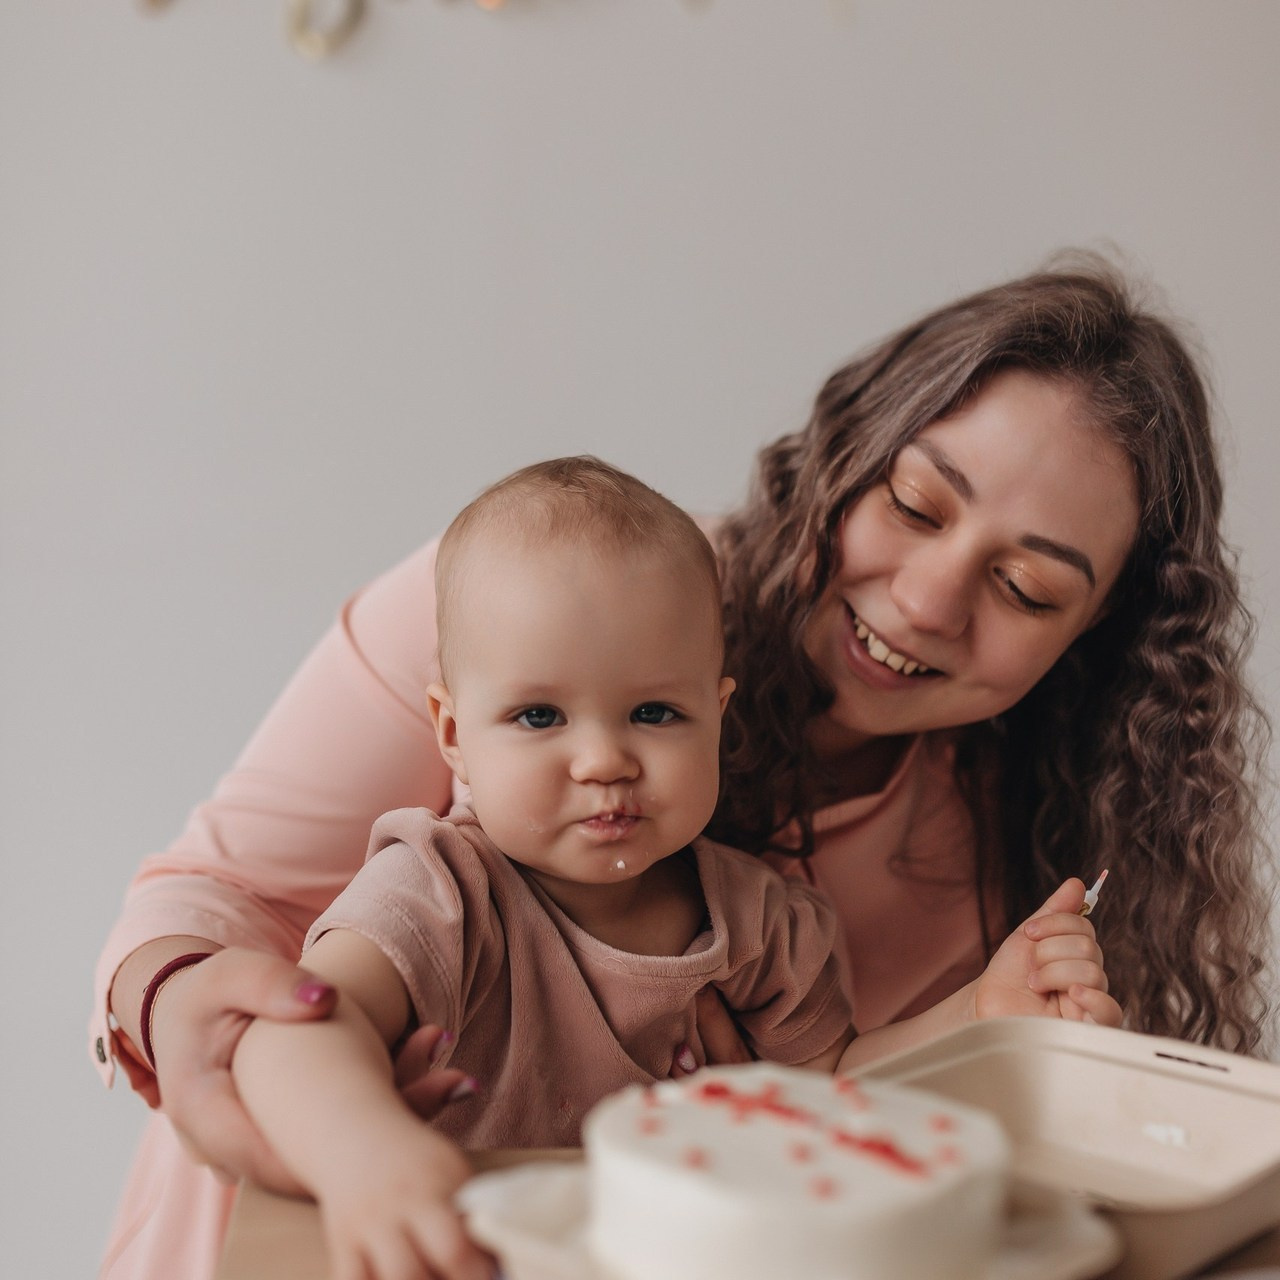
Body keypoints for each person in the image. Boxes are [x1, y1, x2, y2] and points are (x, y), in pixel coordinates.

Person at [92, 255, 1273, 1280]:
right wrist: (269, 1070)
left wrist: (992, 1028)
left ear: (1091, 641)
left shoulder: (891, 874)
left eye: (1025, 588)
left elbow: (831, 1110)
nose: (924, 600)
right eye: (913, 504)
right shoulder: (529, 617)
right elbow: (231, 906)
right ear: (846, 453)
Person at [228, 456, 1117, 1280]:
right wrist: (362, 1156)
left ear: (716, 717)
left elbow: (836, 1095)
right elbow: (289, 1033)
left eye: (654, 712)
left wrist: (981, 1015)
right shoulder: (441, 890)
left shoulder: (765, 921)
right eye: (540, 718)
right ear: (455, 735)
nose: (604, 759)